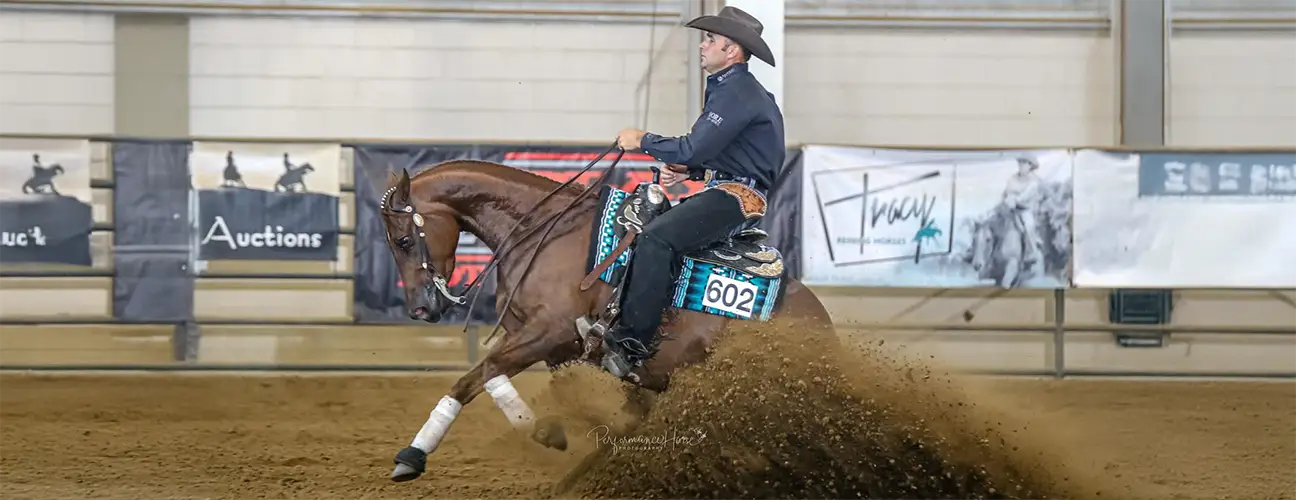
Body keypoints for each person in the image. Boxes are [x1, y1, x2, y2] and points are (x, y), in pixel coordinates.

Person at [602, 6, 785, 379]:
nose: (702, 45)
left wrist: (644, 140)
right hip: (732, 189)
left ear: (732, 51)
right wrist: (693, 170)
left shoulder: (736, 91)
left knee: (655, 238)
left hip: (736, 197)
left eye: (711, 39)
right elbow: (733, 154)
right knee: (654, 231)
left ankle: (631, 343)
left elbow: (694, 147)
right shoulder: (736, 89)